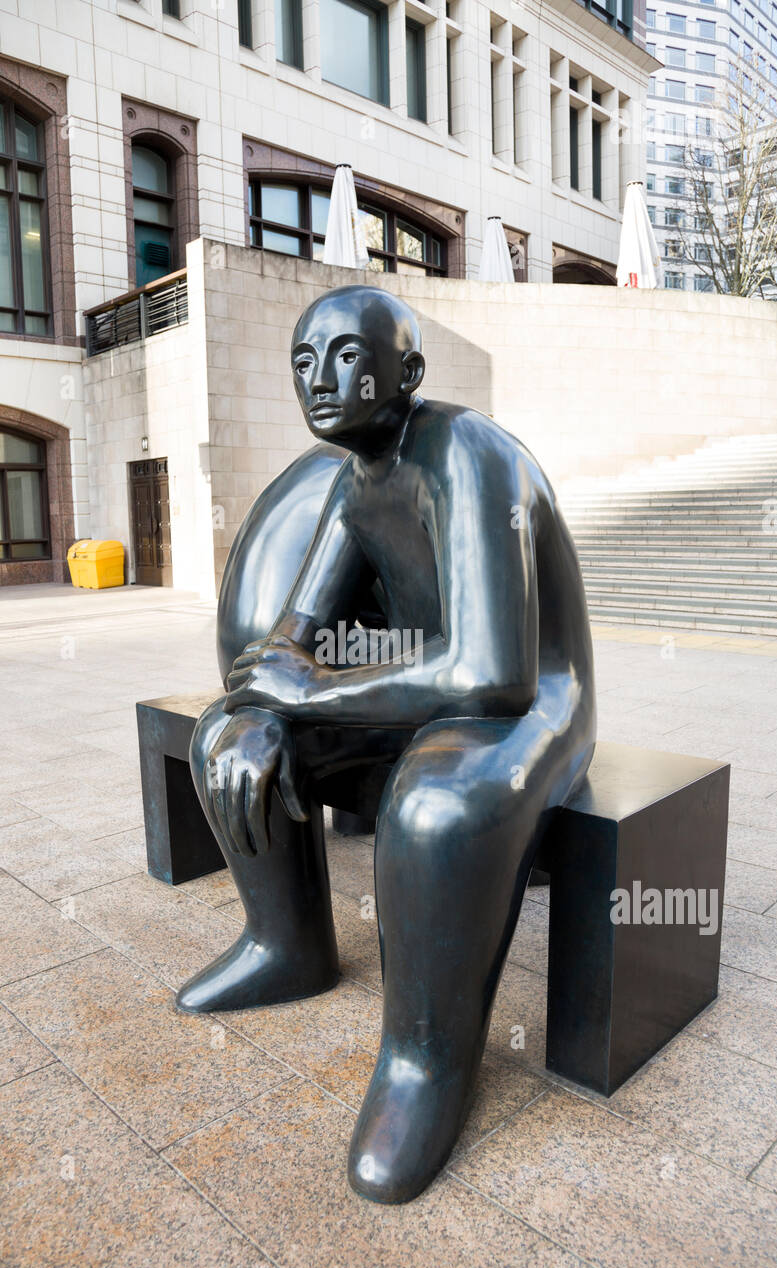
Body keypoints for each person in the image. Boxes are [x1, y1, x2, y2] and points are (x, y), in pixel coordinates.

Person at [177, 284, 596, 1204]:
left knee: (436, 804)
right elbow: (290, 639)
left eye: (346, 357)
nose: (319, 380)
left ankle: (424, 1061)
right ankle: (286, 943)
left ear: (405, 372)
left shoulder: (467, 456)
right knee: (229, 731)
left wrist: (314, 691)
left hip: (533, 702)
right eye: (302, 362)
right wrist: (264, 707)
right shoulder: (354, 483)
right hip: (434, 686)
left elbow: (497, 674)